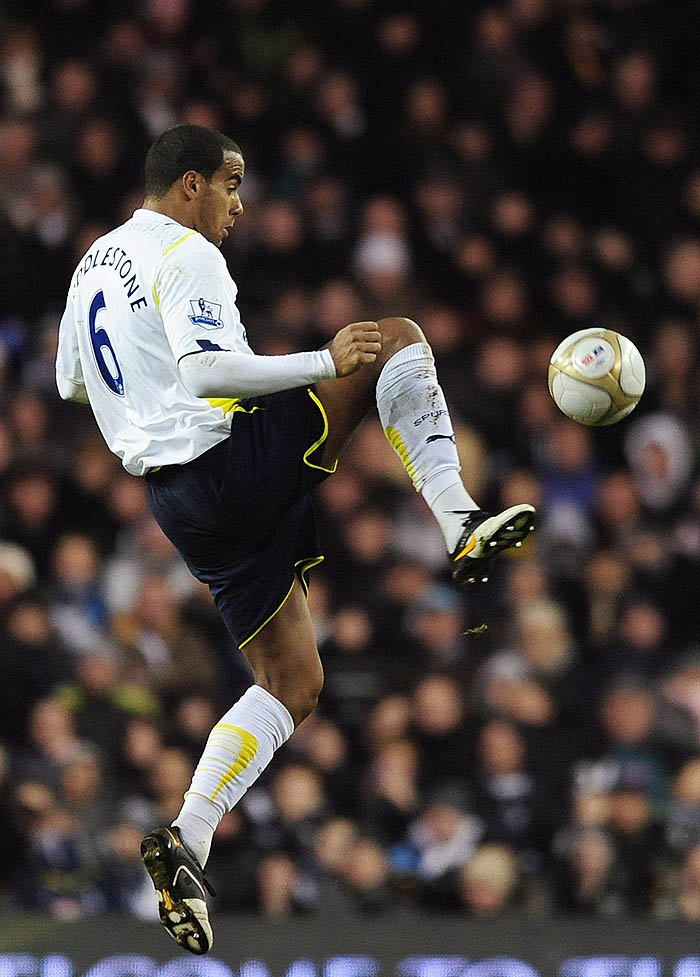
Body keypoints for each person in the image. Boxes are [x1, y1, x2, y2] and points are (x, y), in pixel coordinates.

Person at [56, 124, 535, 953]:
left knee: (294, 680)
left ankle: (187, 838)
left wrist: (137, 401)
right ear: (191, 183)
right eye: (232, 183)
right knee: (396, 339)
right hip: (224, 463)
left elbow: (69, 379)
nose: (241, 204)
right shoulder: (188, 252)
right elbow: (207, 374)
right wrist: (321, 358)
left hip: (176, 502)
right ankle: (460, 520)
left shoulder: (91, 265)